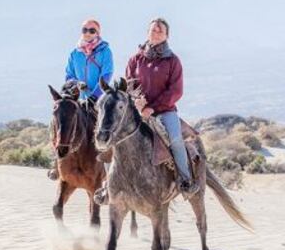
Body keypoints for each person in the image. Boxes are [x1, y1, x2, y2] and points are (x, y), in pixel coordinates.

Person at [124, 17, 197, 195]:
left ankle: (185, 180)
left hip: (165, 111)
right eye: (153, 30)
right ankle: (108, 184)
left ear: (166, 36)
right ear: (147, 33)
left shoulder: (172, 61)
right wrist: (137, 100)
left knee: (176, 141)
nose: (156, 33)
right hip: (139, 111)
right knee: (115, 137)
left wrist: (153, 108)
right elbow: (129, 82)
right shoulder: (136, 59)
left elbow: (176, 91)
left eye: (160, 30)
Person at [49, 18, 113, 180]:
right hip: (77, 97)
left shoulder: (105, 51)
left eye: (92, 30)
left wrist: (94, 95)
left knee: (106, 128)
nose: (88, 33)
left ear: (98, 33)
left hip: (98, 98)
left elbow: (107, 74)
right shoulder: (74, 53)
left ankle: (108, 171)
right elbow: (69, 75)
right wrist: (77, 85)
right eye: (85, 30)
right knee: (57, 120)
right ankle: (56, 163)